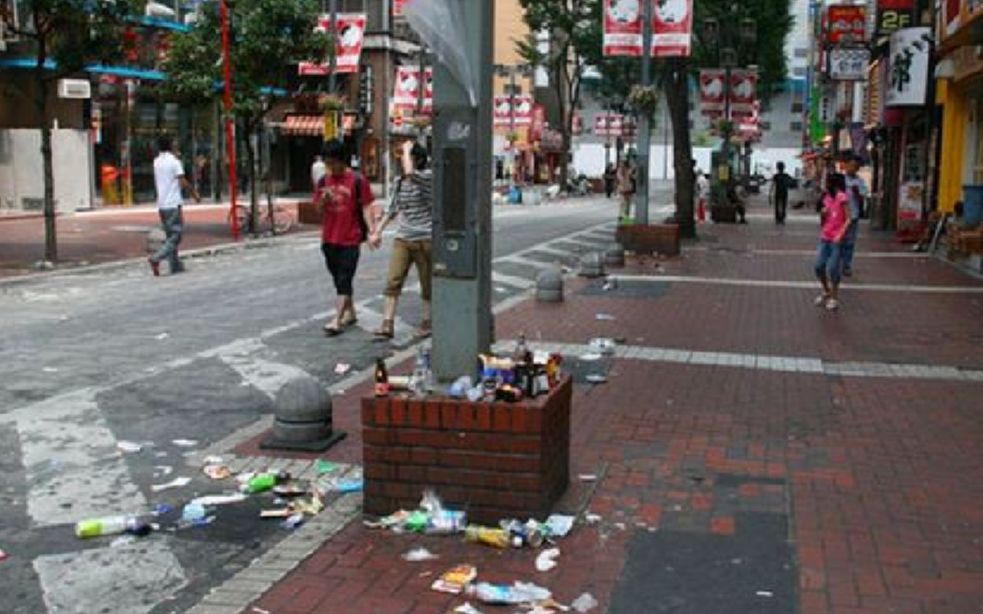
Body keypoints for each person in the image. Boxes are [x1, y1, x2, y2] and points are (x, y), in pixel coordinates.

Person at [369, 141, 433, 340]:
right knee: (393, 280)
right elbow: (392, 208)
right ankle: (387, 323)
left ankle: (427, 321)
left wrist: (407, 148)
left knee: (427, 283)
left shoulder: (427, 177)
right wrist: (377, 231)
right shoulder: (399, 182)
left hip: (425, 237)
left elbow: (411, 174)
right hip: (403, 238)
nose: (402, 160)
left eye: (407, 157)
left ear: (418, 160)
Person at [314, 139, 378, 336]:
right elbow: (317, 210)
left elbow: (367, 207)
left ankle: (337, 320)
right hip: (329, 238)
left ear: (343, 160)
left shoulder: (358, 181)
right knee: (339, 280)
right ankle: (350, 312)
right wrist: (324, 201)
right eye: (327, 163)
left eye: (333, 163)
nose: (330, 167)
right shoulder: (324, 181)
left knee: (344, 277)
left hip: (350, 238)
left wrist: (372, 231)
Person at [149, 136, 200, 276]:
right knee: (175, 236)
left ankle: (175, 264)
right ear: (171, 146)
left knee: (170, 235)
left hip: (162, 203)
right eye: (175, 143)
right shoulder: (174, 162)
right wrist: (194, 194)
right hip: (173, 203)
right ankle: (156, 258)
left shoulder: (156, 162)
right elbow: (182, 181)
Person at [814, 173, 850, 311]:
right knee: (818, 266)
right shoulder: (827, 197)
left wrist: (841, 234)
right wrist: (823, 214)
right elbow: (823, 220)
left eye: (826, 182)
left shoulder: (842, 197)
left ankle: (834, 297)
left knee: (833, 269)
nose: (824, 185)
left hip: (836, 239)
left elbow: (849, 218)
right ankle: (826, 290)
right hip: (825, 236)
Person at [841, 157, 868, 276]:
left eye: (854, 167)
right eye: (849, 166)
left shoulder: (860, 181)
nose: (851, 169)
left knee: (850, 241)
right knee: (838, 240)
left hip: (853, 215)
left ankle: (846, 265)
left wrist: (858, 193)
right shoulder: (841, 180)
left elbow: (864, 194)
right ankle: (837, 262)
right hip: (840, 215)